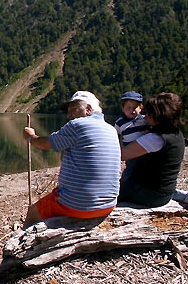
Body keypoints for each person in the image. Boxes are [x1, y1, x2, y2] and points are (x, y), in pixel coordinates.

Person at [21, 91, 121, 228]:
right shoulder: (111, 129)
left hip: (79, 204)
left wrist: (31, 137)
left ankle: (25, 247)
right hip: (108, 204)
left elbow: (45, 144)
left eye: (73, 110)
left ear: (89, 109)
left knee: (32, 212)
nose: (69, 115)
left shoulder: (78, 125)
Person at [119, 92, 188, 207]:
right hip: (164, 191)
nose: (145, 116)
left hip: (149, 194)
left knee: (108, 192)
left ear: (159, 116)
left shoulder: (155, 139)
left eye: (149, 114)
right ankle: (179, 195)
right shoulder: (176, 133)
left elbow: (121, 155)